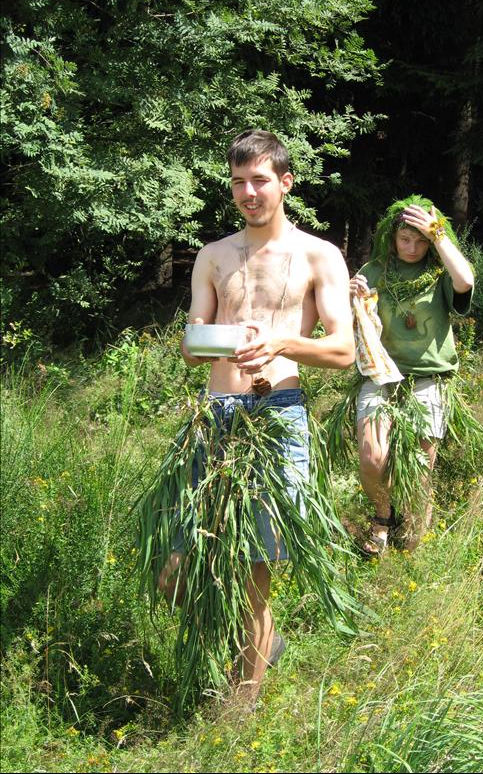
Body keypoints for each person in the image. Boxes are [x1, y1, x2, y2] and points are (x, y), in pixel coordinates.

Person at [157, 129, 355, 707]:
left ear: (285, 183)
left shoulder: (320, 255)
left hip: (276, 418)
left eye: (260, 180)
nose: (249, 192)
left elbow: (343, 350)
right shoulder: (213, 255)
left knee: (252, 573)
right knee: (174, 573)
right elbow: (191, 346)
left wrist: (281, 343)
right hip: (215, 416)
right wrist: (208, 340)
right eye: (239, 181)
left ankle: (243, 704)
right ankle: (262, 645)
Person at [349, 195, 474, 556]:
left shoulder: (440, 271)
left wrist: (438, 235)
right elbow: (355, 321)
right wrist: (351, 297)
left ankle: (413, 525)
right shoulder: (375, 270)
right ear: (392, 237)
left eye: (421, 240)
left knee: (420, 467)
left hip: (428, 379)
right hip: (380, 377)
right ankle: (382, 517)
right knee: (372, 458)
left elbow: (465, 281)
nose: (412, 248)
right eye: (405, 239)